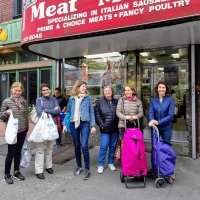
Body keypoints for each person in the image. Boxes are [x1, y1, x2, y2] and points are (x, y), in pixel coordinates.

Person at [66, 80, 96, 180]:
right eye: (83, 86)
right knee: (77, 146)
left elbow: (91, 112)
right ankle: (79, 166)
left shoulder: (88, 98)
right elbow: (69, 112)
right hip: (73, 123)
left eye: (85, 87)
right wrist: (65, 124)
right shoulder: (71, 99)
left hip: (85, 123)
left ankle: (87, 169)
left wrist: (93, 125)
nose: (85, 88)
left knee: (84, 145)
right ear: (78, 87)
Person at [0, 82, 29, 184]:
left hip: (22, 130)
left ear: (22, 91)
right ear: (11, 90)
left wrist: (27, 128)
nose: (17, 92)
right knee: (11, 153)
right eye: (15, 90)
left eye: (19, 90)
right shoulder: (6, 101)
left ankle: (16, 171)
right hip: (12, 132)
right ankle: (7, 174)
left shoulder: (24, 101)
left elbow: (26, 115)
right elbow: (1, 117)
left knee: (18, 152)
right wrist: (6, 113)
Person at [148, 81, 175, 183]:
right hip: (155, 128)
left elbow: (170, 115)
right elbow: (150, 112)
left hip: (166, 128)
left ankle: (168, 172)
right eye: (160, 87)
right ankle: (155, 170)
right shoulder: (153, 100)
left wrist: (158, 122)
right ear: (157, 89)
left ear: (166, 89)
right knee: (155, 148)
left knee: (166, 150)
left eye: (163, 87)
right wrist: (151, 120)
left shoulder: (170, 100)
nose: (162, 89)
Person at [35, 83, 61, 180]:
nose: (45, 91)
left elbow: (58, 110)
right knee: (40, 149)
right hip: (42, 126)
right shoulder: (39, 100)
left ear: (50, 90)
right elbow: (39, 112)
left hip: (51, 126)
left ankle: (48, 166)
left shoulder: (54, 99)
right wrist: (51, 110)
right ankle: (39, 171)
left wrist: (46, 110)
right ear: (41, 92)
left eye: (47, 89)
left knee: (50, 148)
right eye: (43, 90)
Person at [95, 86, 119, 174]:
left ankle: (110, 162)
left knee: (112, 146)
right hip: (105, 129)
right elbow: (97, 115)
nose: (108, 92)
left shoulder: (116, 101)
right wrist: (102, 125)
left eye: (109, 90)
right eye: (106, 91)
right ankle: (101, 164)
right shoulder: (99, 102)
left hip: (115, 129)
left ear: (112, 92)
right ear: (103, 92)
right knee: (104, 146)